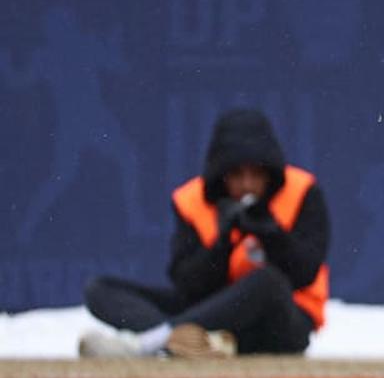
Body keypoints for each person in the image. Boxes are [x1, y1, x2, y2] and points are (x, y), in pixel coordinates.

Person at [79, 108, 331, 358]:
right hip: (211, 313)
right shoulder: (191, 200)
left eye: (257, 173)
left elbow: (305, 272)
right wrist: (222, 244)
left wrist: (269, 232)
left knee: (267, 281)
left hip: (280, 324)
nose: (247, 185)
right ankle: (201, 343)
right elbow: (188, 286)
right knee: (101, 290)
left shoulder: (303, 192)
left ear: (270, 173)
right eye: (236, 174)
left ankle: (150, 342)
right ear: (221, 175)